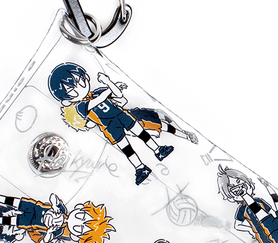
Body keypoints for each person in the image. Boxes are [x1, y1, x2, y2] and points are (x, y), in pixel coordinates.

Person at [48, 62, 196, 185]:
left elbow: (119, 96)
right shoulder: (81, 106)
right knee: (126, 148)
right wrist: (109, 88)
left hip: (121, 115)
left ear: (86, 77)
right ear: (66, 101)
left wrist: (109, 83)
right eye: (72, 90)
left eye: (81, 82)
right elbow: (96, 102)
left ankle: (158, 150)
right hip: (109, 126)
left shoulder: (98, 91)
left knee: (142, 133)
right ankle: (140, 167)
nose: (80, 88)